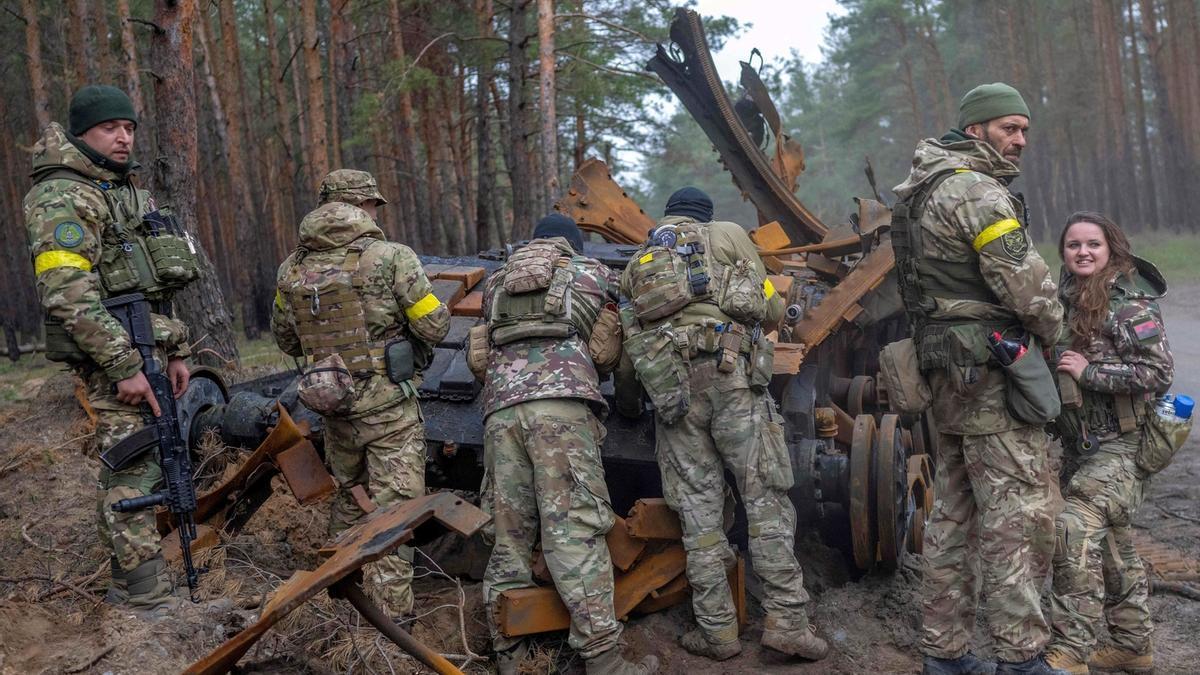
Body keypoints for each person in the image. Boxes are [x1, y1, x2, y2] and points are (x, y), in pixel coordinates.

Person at [891, 83, 1068, 675]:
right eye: (1008, 128)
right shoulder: (974, 189)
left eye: (1024, 130)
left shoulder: (921, 188)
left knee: (953, 516)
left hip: (949, 374)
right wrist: (1058, 329)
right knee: (1019, 517)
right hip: (991, 377)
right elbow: (1027, 286)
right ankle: (1021, 658)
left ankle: (945, 654)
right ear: (975, 130)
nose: (1020, 141)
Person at [618, 188, 828, 663]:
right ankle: (788, 625)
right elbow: (771, 308)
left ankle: (718, 634)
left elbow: (629, 351)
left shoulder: (640, 261)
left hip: (673, 394)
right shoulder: (730, 236)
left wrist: (631, 407)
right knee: (766, 501)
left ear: (667, 216)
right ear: (707, 216)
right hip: (733, 381)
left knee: (699, 519)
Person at [24, 85, 200, 614]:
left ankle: (130, 586)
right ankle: (146, 596)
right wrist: (124, 366)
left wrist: (177, 350)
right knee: (134, 470)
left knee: (150, 464)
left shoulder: (123, 191)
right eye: (109, 128)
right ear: (81, 134)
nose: (123, 137)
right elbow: (66, 293)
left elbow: (155, 284)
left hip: (150, 352)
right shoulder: (61, 196)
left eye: (129, 127)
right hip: (114, 362)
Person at [475, 214, 656, 675]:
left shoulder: (497, 282)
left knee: (508, 537)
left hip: (500, 415)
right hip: (560, 412)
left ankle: (510, 656)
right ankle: (603, 659)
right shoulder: (593, 273)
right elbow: (611, 351)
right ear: (574, 246)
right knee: (574, 532)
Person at [271, 169, 449, 616]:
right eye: (373, 204)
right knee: (394, 514)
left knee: (350, 499)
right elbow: (434, 323)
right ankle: (389, 623)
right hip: (389, 408)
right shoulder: (391, 257)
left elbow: (286, 340)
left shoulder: (291, 266)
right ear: (360, 205)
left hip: (333, 405)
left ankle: (338, 601)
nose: (375, 211)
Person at [1044, 212, 1173, 675]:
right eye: (1073, 244)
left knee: (1073, 531)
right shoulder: (1066, 299)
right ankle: (1133, 648)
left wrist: (1088, 373)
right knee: (1116, 548)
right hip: (1082, 447)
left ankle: (1069, 654)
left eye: (1093, 244)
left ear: (1111, 249)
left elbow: (1158, 374)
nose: (1083, 252)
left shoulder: (1130, 302)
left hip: (1124, 444)